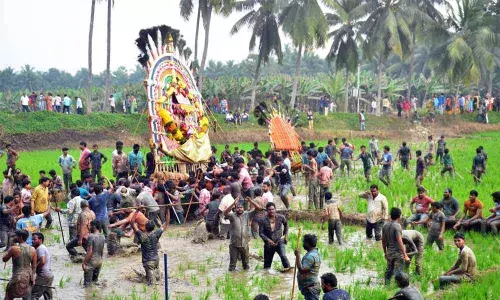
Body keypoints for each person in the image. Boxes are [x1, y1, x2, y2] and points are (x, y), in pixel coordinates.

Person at [131, 209, 170, 284]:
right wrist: (168, 209)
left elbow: (132, 223)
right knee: (158, 280)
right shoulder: (156, 234)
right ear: (153, 227)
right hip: (156, 260)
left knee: (151, 284)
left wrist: (137, 211)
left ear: (145, 227)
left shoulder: (142, 236)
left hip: (148, 263)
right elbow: (166, 223)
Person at [2, 229, 37, 300]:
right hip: (28, 277)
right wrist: (33, 277)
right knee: (27, 297)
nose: (15, 237)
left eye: (16, 236)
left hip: (17, 277)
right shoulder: (33, 249)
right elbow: (34, 265)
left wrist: (10, 247)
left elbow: (4, 259)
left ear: (20, 237)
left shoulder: (14, 249)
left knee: (8, 297)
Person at [382, 207, 410, 284]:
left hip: (389, 252)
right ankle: (399, 285)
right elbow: (400, 241)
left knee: (389, 270)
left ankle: (386, 285)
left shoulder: (385, 225)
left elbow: (383, 240)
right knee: (399, 271)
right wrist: (405, 255)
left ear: (390, 215)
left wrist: (385, 252)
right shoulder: (397, 226)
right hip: (397, 253)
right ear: (399, 216)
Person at [259, 202, 290, 271]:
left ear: (275, 209)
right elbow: (261, 233)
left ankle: (289, 271)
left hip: (279, 241)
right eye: (269, 209)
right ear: (267, 210)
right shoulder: (263, 220)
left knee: (283, 256)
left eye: (272, 209)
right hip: (269, 244)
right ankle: (267, 277)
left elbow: (286, 224)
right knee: (267, 265)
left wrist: (285, 235)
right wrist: (268, 240)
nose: (271, 211)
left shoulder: (281, 217)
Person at [223, 200, 251, 271]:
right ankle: (231, 279)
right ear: (235, 209)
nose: (239, 209)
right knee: (232, 266)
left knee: (246, 265)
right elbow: (225, 212)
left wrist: (250, 201)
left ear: (243, 208)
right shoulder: (232, 216)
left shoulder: (247, 214)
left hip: (244, 244)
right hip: (234, 245)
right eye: (238, 208)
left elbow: (258, 209)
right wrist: (233, 203)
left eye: (241, 207)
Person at [295, 234, 321, 300]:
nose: (303, 244)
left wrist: (298, 256)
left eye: (304, 242)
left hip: (310, 288)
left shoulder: (310, 256)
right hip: (310, 287)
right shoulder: (314, 253)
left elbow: (302, 270)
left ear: (308, 243)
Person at [82, 220, 105, 287]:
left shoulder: (91, 236)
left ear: (94, 227)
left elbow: (90, 251)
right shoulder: (102, 236)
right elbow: (102, 251)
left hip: (91, 262)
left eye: (91, 226)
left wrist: (84, 262)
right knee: (95, 282)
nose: (90, 227)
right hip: (99, 261)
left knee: (87, 286)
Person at [31, 232, 54, 300]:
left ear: (40, 240)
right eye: (32, 239)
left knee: (33, 295)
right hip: (49, 276)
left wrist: (34, 269)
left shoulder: (40, 248)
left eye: (34, 239)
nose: (32, 241)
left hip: (43, 276)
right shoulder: (42, 247)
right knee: (48, 297)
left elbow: (42, 261)